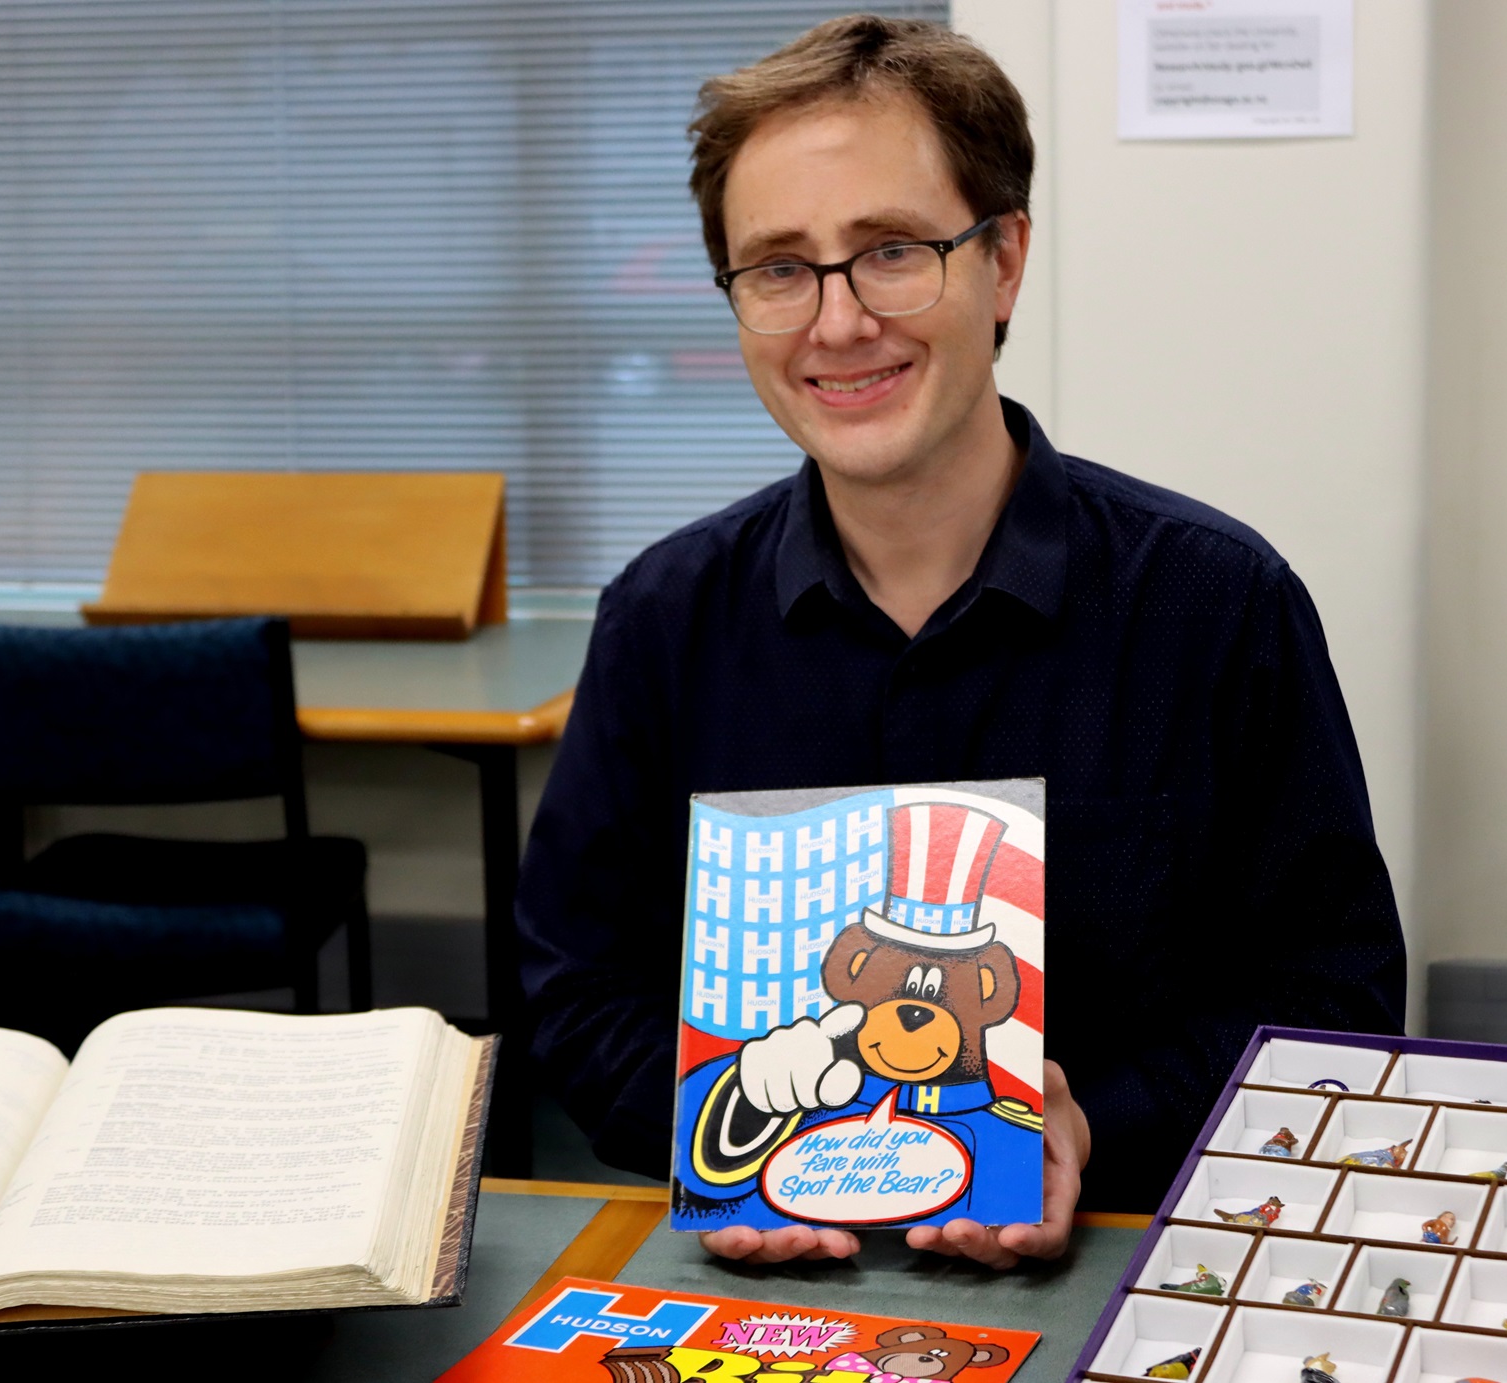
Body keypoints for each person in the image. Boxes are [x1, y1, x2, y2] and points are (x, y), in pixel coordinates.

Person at [516, 14, 1404, 1270]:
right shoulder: (664, 619)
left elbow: (1337, 1003)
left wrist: (1098, 1122)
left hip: (1123, 1253)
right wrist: (732, 1138)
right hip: (760, 1277)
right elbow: (574, 987)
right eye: (778, 267)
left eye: (890, 252)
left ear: (1003, 261)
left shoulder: (1217, 607)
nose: (835, 323)